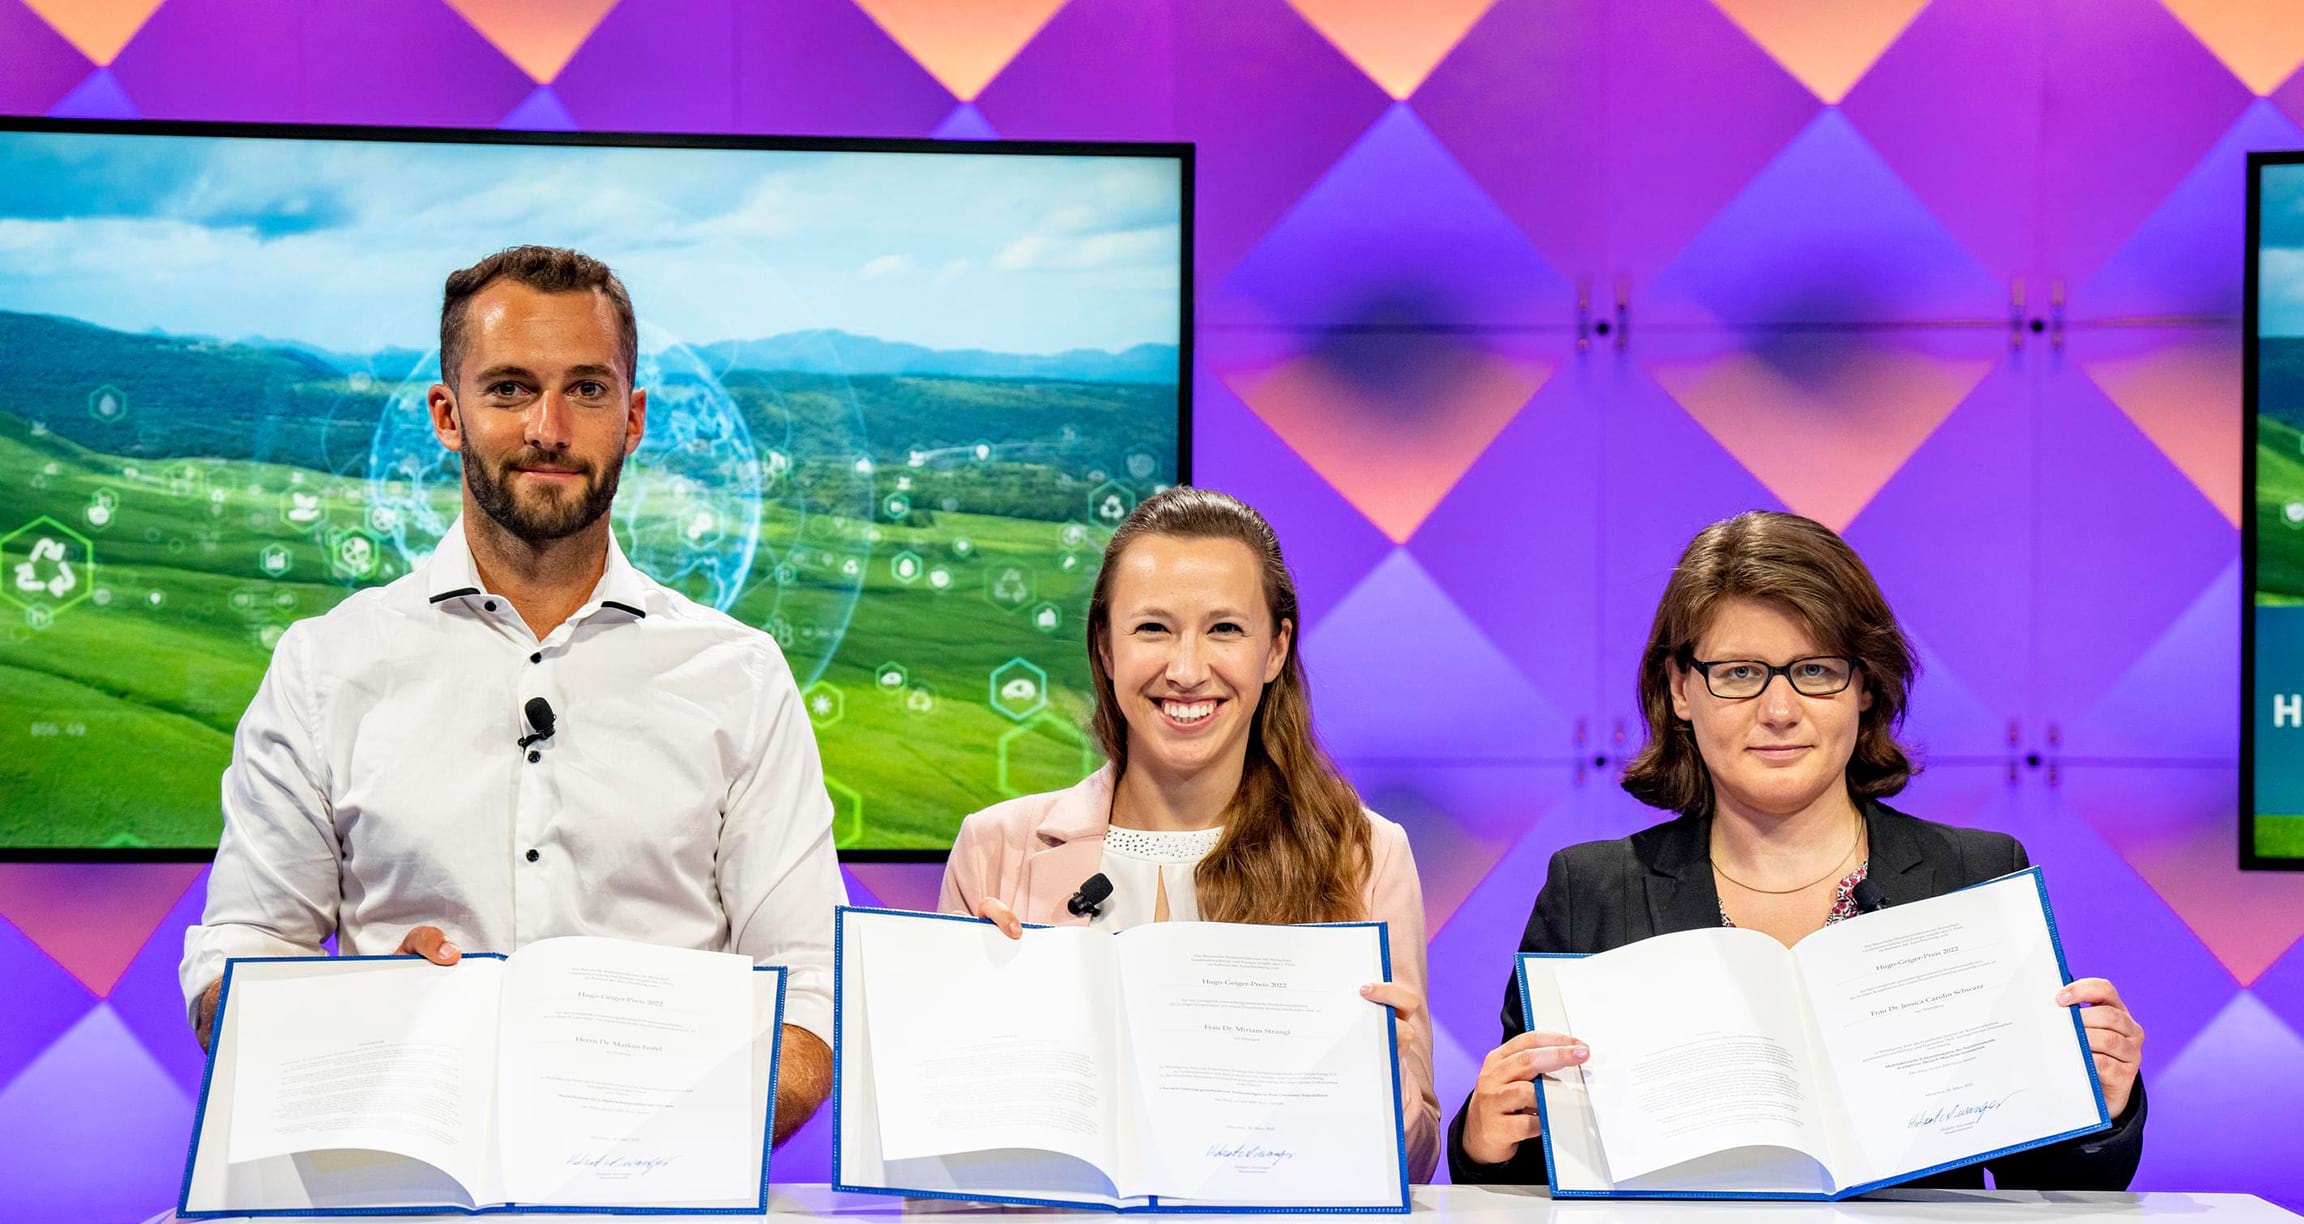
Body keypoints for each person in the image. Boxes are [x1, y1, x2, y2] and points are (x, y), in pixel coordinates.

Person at [178, 245, 844, 1143]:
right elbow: (240, 957)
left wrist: (671, 1139)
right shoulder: (324, 670)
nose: (550, 428)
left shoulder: (742, 677)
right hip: (398, 1190)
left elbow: (811, 992)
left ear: (634, 417)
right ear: (447, 415)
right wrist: (355, 1019)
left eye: (588, 389)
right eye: (509, 389)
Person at [1447, 510, 2147, 1187]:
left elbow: (2047, 1179)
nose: (1779, 711)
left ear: (1865, 687)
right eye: (1740, 673)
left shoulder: (1974, 876)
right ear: (1681, 689)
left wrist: (2101, 1100)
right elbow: (1531, 1172)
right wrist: (1486, 1133)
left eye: (1814, 672)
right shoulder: (1593, 890)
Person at [939, 486, 1440, 1180]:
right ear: (1105, 649)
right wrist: (972, 1037)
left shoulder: (1368, 853)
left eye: (1225, 629)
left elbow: (1410, 1163)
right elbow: (947, 1161)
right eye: (1152, 629)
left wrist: (1386, 1076)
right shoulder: (996, 848)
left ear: (1275, 649)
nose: (1185, 670)